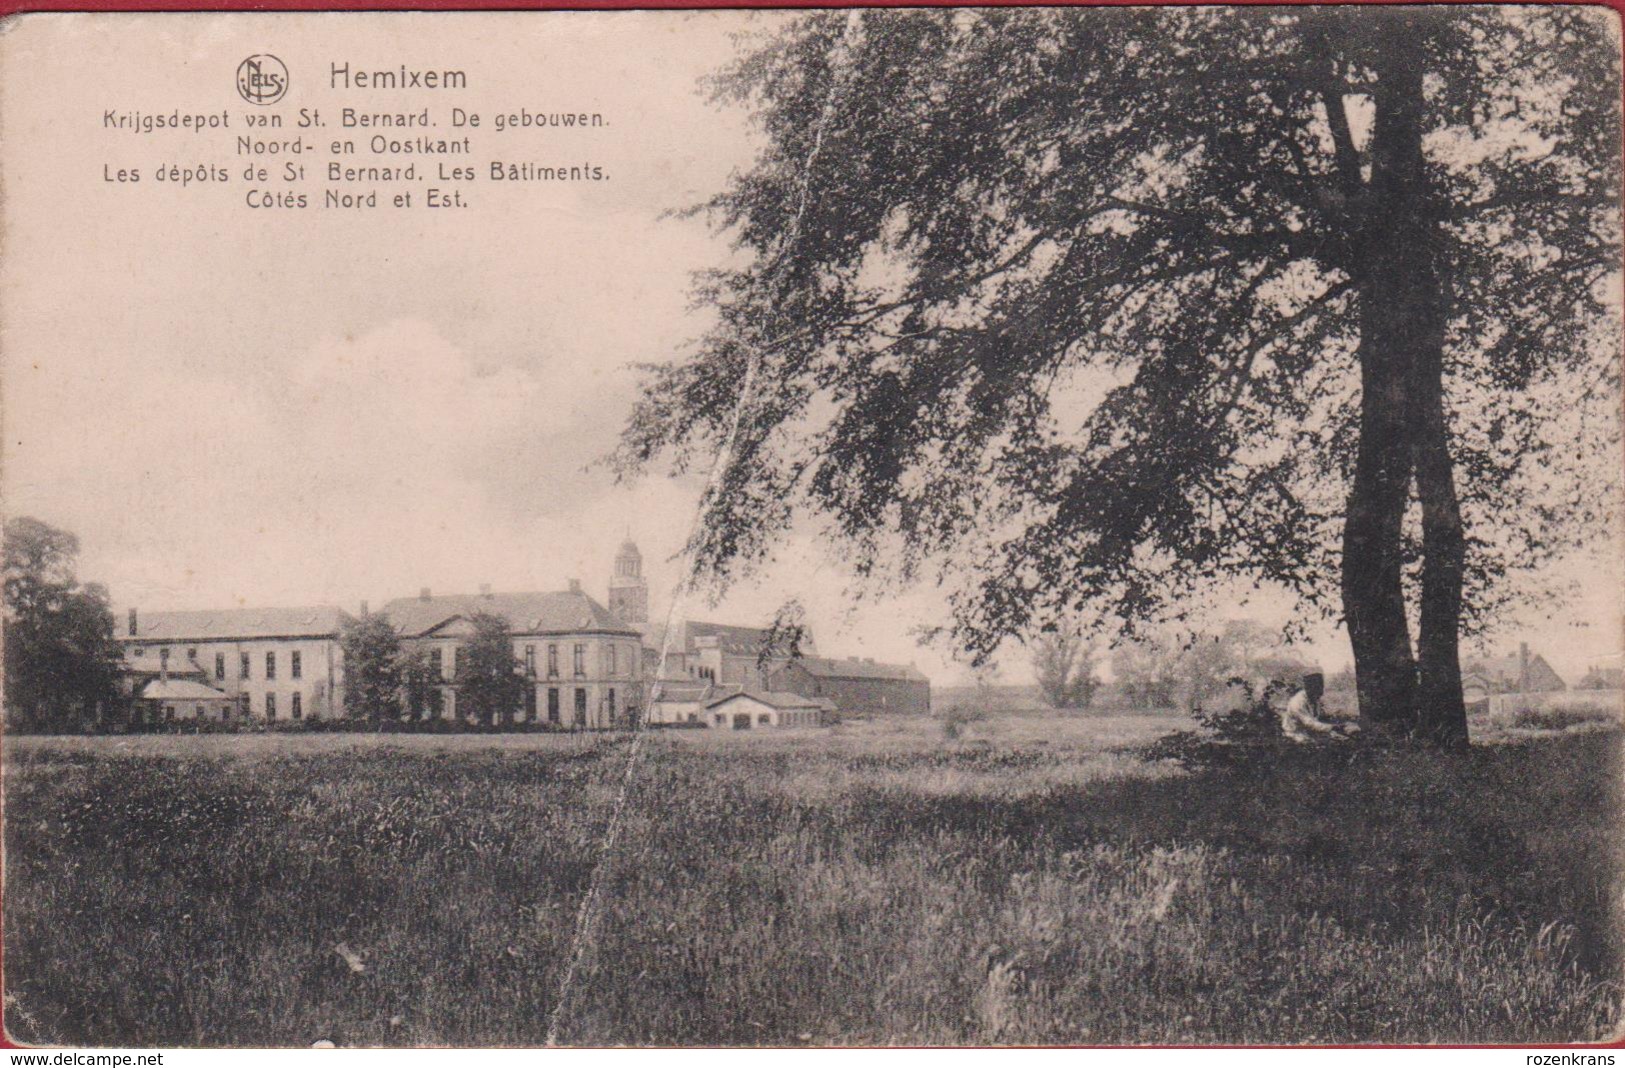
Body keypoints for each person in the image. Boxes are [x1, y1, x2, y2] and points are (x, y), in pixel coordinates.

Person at [1279, 671, 1341, 743]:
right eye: (1317, 689)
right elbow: (1309, 723)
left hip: (1309, 731)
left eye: (1321, 688)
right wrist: (1333, 727)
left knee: (1336, 739)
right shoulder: (1297, 702)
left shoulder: (1314, 697)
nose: (1321, 693)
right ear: (1309, 688)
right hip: (1296, 734)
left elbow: (1319, 716)